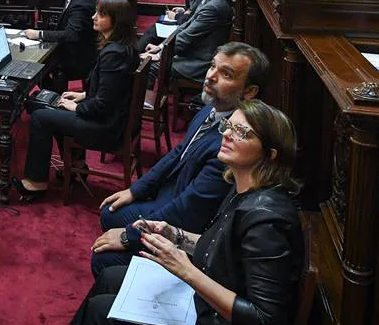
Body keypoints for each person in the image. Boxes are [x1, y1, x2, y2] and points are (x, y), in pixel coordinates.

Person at [60, 99, 303, 325]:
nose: (226, 134)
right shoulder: (245, 187)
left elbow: (264, 320)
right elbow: (222, 246)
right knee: (111, 278)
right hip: (215, 312)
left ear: (270, 154)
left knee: (102, 317)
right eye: (229, 126)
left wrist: (185, 269)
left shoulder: (267, 220)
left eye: (242, 132)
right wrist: (175, 234)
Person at [90, 42, 267, 275]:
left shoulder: (232, 143)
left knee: (104, 259)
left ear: (249, 92)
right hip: (170, 194)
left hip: (185, 223)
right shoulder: (211, 109)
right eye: (213, 66)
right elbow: (177, 152)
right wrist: (134, 190)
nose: (211, 76)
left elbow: (188, 212)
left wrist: (128, 236)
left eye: (226, 74)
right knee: (111, 212)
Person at [15, 0, 140, 201]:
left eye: (100, 14)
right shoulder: (122, 47)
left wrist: (77, 107)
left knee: (41, 116)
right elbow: (112, 90)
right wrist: (83, 95)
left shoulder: (114, 54)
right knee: (48, 101)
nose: (93, 17)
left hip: (106, 127)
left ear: (115, 21)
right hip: (111, 117)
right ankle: (75, 165)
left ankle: (36, 183)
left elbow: (102, 104)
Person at [142, 0, 231, 84]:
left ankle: (146, 102)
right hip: (193, 52)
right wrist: (160, 47)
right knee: (147, 59)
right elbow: (184, 27)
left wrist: (160, 55)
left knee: (148, 66)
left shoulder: (213, 7)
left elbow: (187, 36)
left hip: (200, 61)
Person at [23, 0, 97, 87]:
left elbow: (71, 34)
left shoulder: (80, 5)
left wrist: (39, 34)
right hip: (78, 49)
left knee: (36, 67)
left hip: (77, 58)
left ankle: (52, 98)